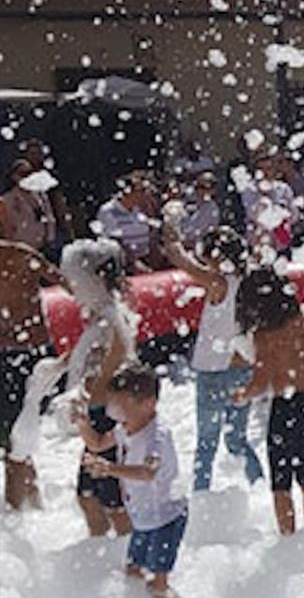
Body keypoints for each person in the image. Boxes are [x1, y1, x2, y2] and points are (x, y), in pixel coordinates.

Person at [11, 239, 137, 536]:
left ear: (93, 279)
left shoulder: (109, 314)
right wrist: (59, 367)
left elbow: (120, 351)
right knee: (89, 496)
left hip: (108, 413)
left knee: (110, 501)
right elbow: (91, 351)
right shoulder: (98, 312)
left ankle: (129, 560)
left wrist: (92, 389)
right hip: (98, 410)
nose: (72, 286)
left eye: (75, 279)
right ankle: (103, 558)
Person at [163, 225, 263, 491]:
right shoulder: (250, 281)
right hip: (243, 369)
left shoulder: (218, 282)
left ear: (217, 256)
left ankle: (200, 496)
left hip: (213, 371)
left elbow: (178, 257)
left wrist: (172, 227)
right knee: (237, 441)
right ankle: (262, 488)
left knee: (206, 443)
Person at [77, 366, 188, 598]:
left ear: (148, 403)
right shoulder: (126, 428)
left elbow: (148, 472)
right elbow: (97, 443)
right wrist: (82, 423)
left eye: (121, 407)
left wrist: (109, 469)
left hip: (166, 518)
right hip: (142, 519)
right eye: (114, 406)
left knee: (158, 582)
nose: (115, 414)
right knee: (132, 571)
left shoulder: (157, 437)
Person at [232, 269, 304, 536]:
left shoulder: (265, 335)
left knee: (280, 480)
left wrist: (242, 395)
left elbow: (261, 382)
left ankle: (288, 540)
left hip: (286, 403)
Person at [0, 240, 66, 511]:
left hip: (16, 356)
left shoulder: (21, 255)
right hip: (33, 352)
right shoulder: (22, 254)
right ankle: (33, 503)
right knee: (19, 438)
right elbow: (70, 284)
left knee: (14, 443)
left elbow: (68, 283)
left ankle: (19, 514)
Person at [93, 176, 157, 274]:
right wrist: (134, 263)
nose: (145, 194)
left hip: (147, 260)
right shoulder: (108, 211)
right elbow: (114, 242)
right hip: (126, 267)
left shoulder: (140, 209)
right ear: (128, 192)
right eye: (142, 190)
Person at [0, 159, 57, 258]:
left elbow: (49, 216)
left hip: (43, 248)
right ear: (13, 177)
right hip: (20, 249)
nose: (27, 177)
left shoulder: (41, 195)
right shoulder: (7, 199)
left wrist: (50, 239)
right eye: (23, 174)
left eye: (30, 173)